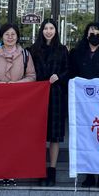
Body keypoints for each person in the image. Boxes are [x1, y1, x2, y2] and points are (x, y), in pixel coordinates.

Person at [0, 22, 36, 186]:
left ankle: (11, 172)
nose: (10, 37)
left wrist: (16, 85)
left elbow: (32, 76)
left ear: (17, 36)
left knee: (14, 138)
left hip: (18, 102)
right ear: (1, 37)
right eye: (7, 34)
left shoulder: (25, 54)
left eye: (13, 34)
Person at [68, 22, 99, 189]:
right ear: (86, 35)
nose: (95, 36)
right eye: (92, 32)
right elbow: (71, 74)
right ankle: (88, 174)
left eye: (98, 33)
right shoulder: (77, 53)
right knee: (86, 138)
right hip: (83, 104)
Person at [29, 19, 69, 187]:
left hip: (56, 95)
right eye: (45, 28)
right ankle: (39, 169)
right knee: (38, 135)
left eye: (51, 28)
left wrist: (59, 76)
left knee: (54, 136)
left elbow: (68, 70)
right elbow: (29, 71)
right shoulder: (32, 50)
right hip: (37, 96)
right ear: (41, 30)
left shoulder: (62, 50)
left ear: (56, 30)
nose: (48, 31)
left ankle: (52, 170)